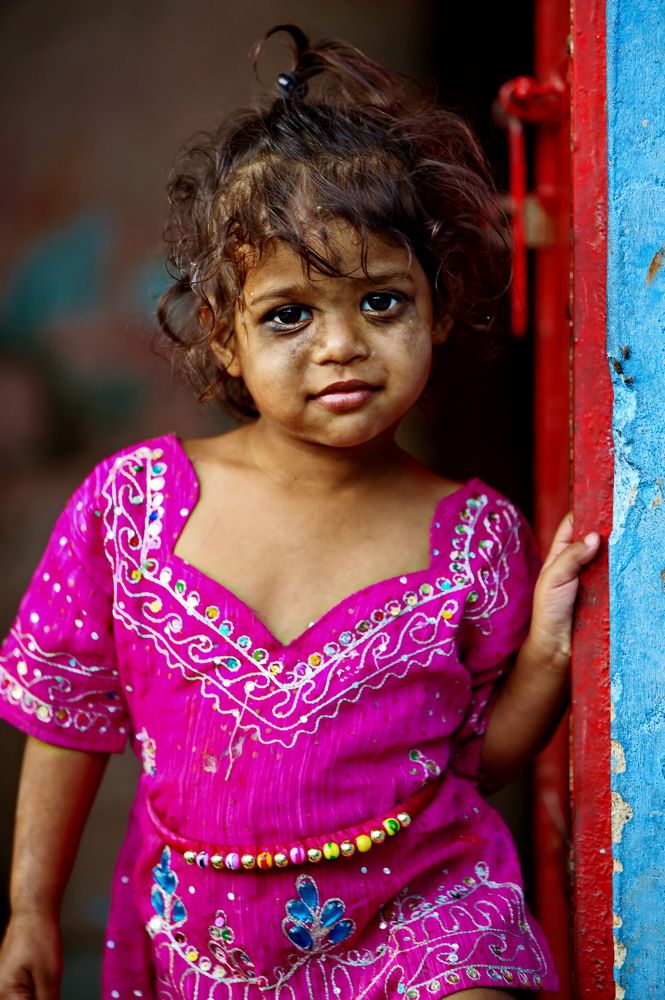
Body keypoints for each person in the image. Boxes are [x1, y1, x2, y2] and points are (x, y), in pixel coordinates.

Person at [0, 25, 599, 1000]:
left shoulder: (473, 536)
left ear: (440, 309)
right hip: (207, 939)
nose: (340, 346)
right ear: (223, 337)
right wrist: (31, 905)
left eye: (381, 302)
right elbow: (66, 715)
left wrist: (544, 653)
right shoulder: (131, 508)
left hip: (422, 912)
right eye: (289, 314)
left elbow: (476, 756)